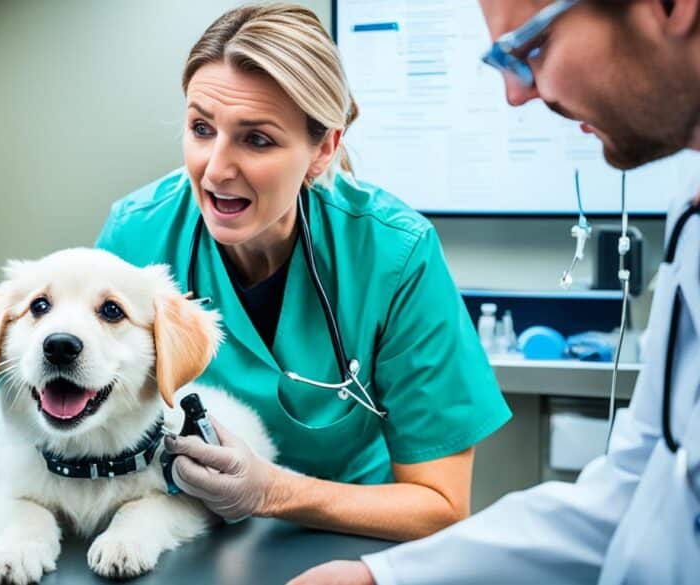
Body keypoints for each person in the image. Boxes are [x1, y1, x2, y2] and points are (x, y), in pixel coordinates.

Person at [290, 0, 700, 582]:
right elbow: (634, 483)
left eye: (531, 48)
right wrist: (381, 578)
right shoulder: (691, 213)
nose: (516, 94)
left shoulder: (394, 245)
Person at [95, 3, 511, 540]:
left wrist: (270, 491)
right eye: (202, 128)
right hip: (185, 531)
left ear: (324, 150)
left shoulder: (394, 253)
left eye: (257, 139)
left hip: (347, 538)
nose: (216, 169)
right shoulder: (137, 236)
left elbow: (441, 504)